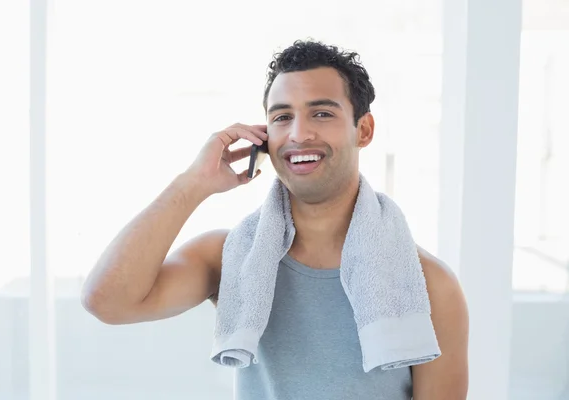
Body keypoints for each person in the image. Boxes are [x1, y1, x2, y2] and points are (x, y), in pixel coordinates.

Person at [81, 40, 469, 399]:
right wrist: (193, 184)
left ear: (363, 130)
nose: (299, 134)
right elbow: (108, 302)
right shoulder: (232, 257)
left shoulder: (427, 284)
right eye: (282, 117)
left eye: (321, 112)